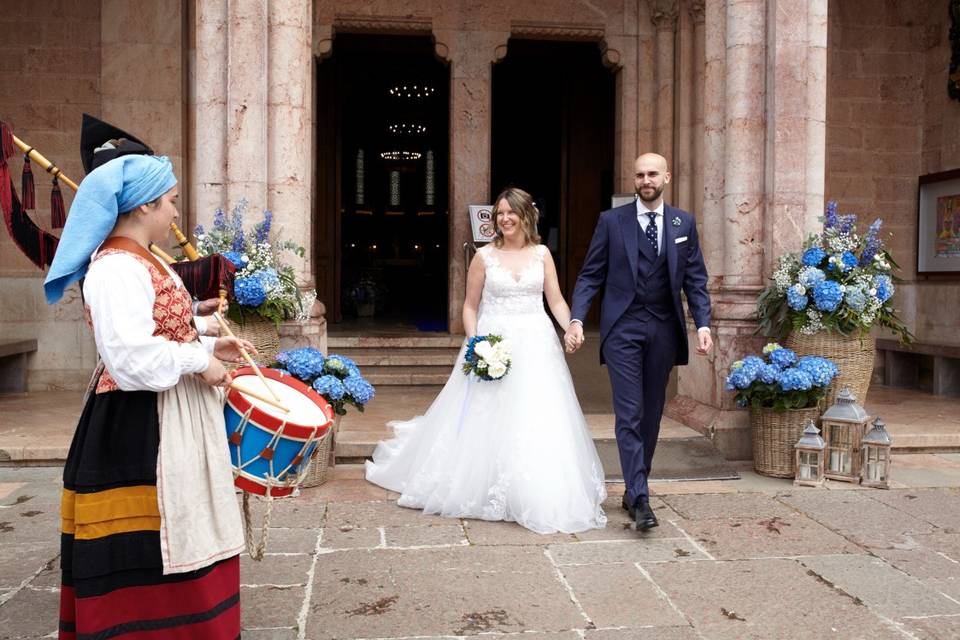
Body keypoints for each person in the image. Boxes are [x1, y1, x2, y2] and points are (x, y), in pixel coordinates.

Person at [44, 154, 254, 639]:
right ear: (143, 207)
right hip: (138, 425)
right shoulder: (116, 268)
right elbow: (131, 360)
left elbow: (162, 330)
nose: (176, 213)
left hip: (167, 412)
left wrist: (206, 341)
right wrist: (201, 362)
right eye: (171, 202)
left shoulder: (142, 258)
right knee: (154, 533)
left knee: (191, 519)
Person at [365, 187, 606, 534]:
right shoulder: (484, 257)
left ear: (527, 216)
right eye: (500, 213)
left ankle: (532, 487)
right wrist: (476, 342)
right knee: (488, 413)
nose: (505, 219)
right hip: (494, 342)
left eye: (511, 213)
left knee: (537, 414)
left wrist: (571, 325)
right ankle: (482, 483)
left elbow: (554, 299)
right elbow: (470, 305)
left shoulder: (542, 254)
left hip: (537, 344)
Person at [565, 153, 713, 532]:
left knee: (651, 412)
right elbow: (590, 274)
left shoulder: (684, 223)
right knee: (629, 412)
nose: (645, 180)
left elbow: (695, 278)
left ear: (666, 176)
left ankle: (635, 487)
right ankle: (640, 495)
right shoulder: (612, 222)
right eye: (639, 175)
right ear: (633, 180)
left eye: (652, 174)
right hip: (623, 330)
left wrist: (703, 324)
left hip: (664, 328)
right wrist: (577, 318)